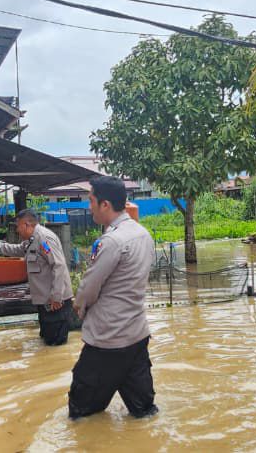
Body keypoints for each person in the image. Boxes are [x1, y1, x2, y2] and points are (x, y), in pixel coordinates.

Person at [68, 176, 159, 420]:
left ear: (105, 205)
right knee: (144, 411)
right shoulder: (143, 234)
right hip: (137, 335)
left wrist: (78, 306)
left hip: (107, 340)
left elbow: (88, 288)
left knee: (81, 412)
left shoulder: (111, 241)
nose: (89, 207)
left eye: (91, 201)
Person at [0, 209, 75, 345]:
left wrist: (57, 296)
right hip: (45, 302)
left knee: (55, 345)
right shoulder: (31, 240)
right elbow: (16, 250)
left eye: (18, 226)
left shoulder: (44, 239)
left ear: (27, 225)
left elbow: (59, 265)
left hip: (55, 302)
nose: (17, 230)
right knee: (46, 341)